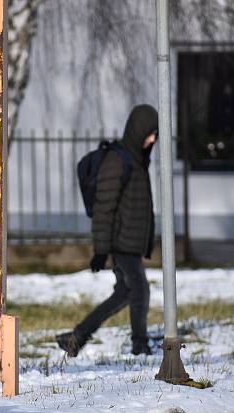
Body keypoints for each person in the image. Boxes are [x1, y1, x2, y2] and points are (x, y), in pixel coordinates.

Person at [57, 104, 158, 357]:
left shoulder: (136, 160)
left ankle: (76, 337)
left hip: (128, 242)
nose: (152, 139)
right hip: (120, 242)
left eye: (155, 134)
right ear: (137, 130)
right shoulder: (117, 161)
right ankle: (140, 345)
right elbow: (104, 209)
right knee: (140, 290)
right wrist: (101, 250)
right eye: (149, 133)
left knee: (125, 292)